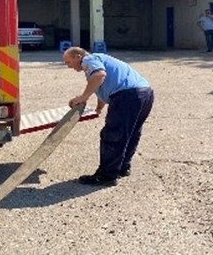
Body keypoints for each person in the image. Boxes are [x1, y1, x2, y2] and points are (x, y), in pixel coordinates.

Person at [63, 46, 154, 187]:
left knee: (113, 135)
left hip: (127, 96)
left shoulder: (89, 59)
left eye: (68, 62)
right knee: (131, 133)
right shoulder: (100, 60)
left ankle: (106, 176)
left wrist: (83, 97)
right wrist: (98, 109)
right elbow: (102, 88)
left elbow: (99, 75)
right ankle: (122, 167)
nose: (68, 66)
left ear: (77, 57)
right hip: (144, 93)